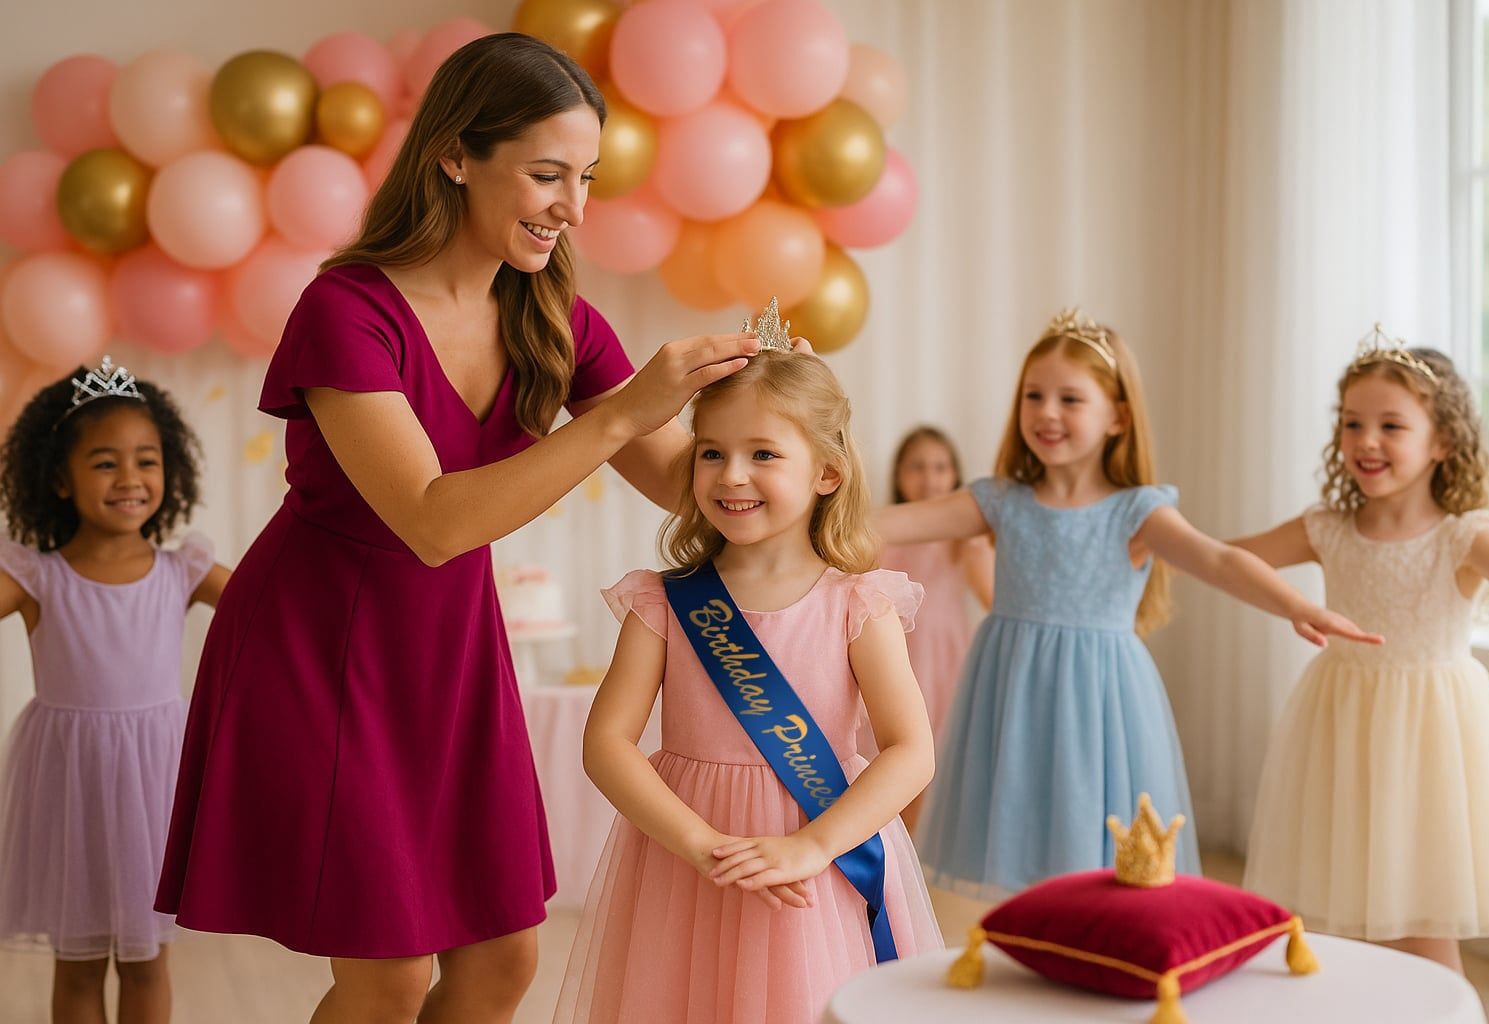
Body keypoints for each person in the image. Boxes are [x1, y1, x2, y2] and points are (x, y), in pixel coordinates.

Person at [153, 33, 757, 1024]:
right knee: (387, 975)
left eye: (587, 178)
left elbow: (674, 478)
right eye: (547, 174)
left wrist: (771, 441)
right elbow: (431, 520)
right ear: (455, 155)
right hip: (322, 644)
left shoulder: (551, 316)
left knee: (503, 959)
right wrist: (618, 412)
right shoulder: (345, 311)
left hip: (450, 651)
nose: (572, 205)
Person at [875, 308, 1379, 902]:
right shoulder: (999, 500)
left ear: (1117, 416)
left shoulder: (1136, 510)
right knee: (1021, 837)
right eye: (1034, 395)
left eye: (1070, 398)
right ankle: (1041, 952)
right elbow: (884, 523)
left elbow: (1216, 559)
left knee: (1093, 840)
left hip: (1101, 699)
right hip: (1010, 688)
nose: (1046, 412)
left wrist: (1297, 605)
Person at [558, 349, 941, 1024]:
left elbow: (911, 749)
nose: (732, 475)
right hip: (685, 857)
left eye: (763, 453)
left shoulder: (859, 604)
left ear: (828, 472)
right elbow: (607, 744)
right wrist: (701, 846)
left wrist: (815, 846)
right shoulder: (664, 603)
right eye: (711, 452)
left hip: (814, 858)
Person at [1236, 331, 1489, 972]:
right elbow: (1230, 559)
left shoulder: (1466, 536)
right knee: (1346, 926)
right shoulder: (1328, 530)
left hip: (1431, 747)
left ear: (1443, 442)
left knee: (1426, 930)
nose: (1366, 440)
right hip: (1343, 731)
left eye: (1391, 425)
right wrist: (1150, 538)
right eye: (1352, 423)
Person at [0, 358, 228, 1024]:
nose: (129, 478)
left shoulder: (181, 568)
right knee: (77, 963)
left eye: (146, 461)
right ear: (58, 480)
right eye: (104, 463)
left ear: (170, 471)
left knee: (146, 959)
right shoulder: (37, 577)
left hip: (155, 782)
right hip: (68, 784)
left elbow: (268, 607)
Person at [875, 426, 993, 828]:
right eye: (918, 467)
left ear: (955, 476)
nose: (929, 478)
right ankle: (886, 847)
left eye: (941, 467)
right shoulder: (880, 535)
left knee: (928, 758)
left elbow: (993, 597)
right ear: (899, 475)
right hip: (893, 658)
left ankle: (911, 856)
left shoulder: (964, 541)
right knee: (885, 758)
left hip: (943, 662)